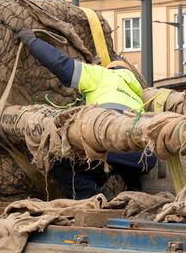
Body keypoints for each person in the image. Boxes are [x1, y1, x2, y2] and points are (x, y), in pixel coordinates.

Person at [16, 28, 157, 197]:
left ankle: (92, 199)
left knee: (58, 161)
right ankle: (132, 193)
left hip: (110, 144)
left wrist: (32, 42)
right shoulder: (137, 92)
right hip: (143, 157)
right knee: (121, 165)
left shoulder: (101, 75)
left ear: (110, 69)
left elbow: (61, 64)